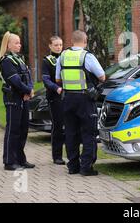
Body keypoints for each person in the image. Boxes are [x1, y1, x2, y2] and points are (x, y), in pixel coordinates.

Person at [56, 30, 105, 176]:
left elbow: (58, 80)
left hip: (67, 99)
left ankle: (73, 166)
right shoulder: (87, 56)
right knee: (88, 133)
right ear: (85, 41)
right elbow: (102, 76)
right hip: (84, 99)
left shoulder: (63, 56)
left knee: (71, 133)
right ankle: (86, 167)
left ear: (72, 41)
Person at [0, 31, 35, 171]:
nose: (20, 45)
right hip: (13, 99)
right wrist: (27, 90)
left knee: (23, 129)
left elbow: (28, 76)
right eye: (16, 43)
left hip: (24, 98)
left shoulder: (19, 59)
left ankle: (20, 159)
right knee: (13, 130)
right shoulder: (6, 61)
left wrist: (29, 90)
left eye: (20, 42)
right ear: (8, 45)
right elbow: (15, 81)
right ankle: (9, 161)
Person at [42, 36, 65, 165]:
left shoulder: (65, 58)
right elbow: (45, 79)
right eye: (56, 45)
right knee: (58, 126)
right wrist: (56, 88)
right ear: (50, 46)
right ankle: (57, 156)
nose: (58, 47)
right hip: (55, 97)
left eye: (60, 45)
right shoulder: (47, 61)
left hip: (67, 96)